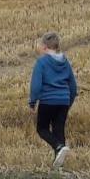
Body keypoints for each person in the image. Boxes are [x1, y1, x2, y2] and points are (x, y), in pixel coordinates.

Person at [29, 31, 78, 168]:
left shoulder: (42, 62)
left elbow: (36, 84)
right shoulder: (65, 62)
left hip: (48, 101)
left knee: (42, 128)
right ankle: (59, 164)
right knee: (58, 130)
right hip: (63, 101)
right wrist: (68, 102)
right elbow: (73, 86)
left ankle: (58, 146)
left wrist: (33, 101)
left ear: (45, 47)